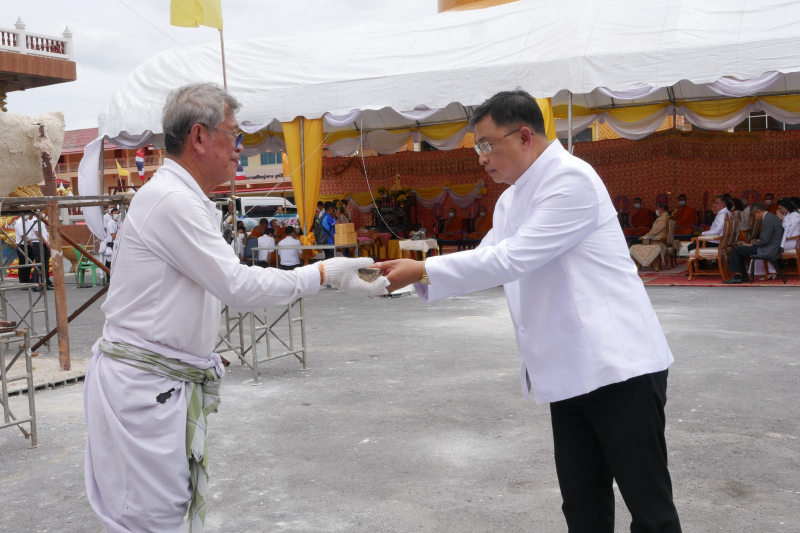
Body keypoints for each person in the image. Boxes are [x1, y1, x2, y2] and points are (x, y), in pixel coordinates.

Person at [82, 83, 389, 533]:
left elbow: (199, 289)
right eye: (233, 134)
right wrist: (324, 274)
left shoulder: (183, 197)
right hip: (144, 387)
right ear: (199, 137)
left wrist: (198, 347)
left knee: (163, 511)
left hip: (161, 380)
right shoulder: (172, 200)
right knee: (150, 519)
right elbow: (236, 284)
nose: (239, 148)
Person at [379, 90, 680, 533]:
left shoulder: (570, 179)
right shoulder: (510, 200)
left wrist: (423, 269)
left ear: (524, 136)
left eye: (487, 144)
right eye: (477, 147)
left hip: (619, 367)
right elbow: (485, 259)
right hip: (567, 369)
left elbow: (512, 258)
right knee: (583, 506)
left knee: (649, 509)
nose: (481, 158)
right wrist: (409, 275)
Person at [724, 203, 783, 284]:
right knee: (740, 250)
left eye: (753, 215)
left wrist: (753, 244)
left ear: (758, 212)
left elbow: (765, 241)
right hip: (769, 246)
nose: (754, 217)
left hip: (768, 249)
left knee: (736, 250)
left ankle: (737, 277)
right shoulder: (770, 217)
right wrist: (757, 242)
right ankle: (744, 277)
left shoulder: (767, 219)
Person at [754, 198, 800, 279]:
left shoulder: (795, 215)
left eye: (782, 208)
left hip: (790, 242)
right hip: (783, 240)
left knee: (766, 248)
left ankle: (771, 271)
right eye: (780, 209)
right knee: (764, 246)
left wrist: (781, 220)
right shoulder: (787, 215)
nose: (781, 211)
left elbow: (788, 231)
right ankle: (771, 271)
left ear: (787, 206)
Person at [12, 214, 36, 286]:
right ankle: (23, 281)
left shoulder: (29, 221)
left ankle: (27, 279)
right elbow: (23, 235)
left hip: (30, 244)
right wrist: (30, 242)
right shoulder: (19, 222)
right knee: (23, 263)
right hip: (22, 245)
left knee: (29, 263)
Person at [104, 208, 120, 274]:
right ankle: (108, 275)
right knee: (110, 261)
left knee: (114, 261)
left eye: (118, 213)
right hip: (112, 244)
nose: (117, 215)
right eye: (115, 213)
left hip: (116, 243)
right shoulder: (110, 224)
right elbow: (113, 235)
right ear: (111, 214)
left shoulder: (118, 222)